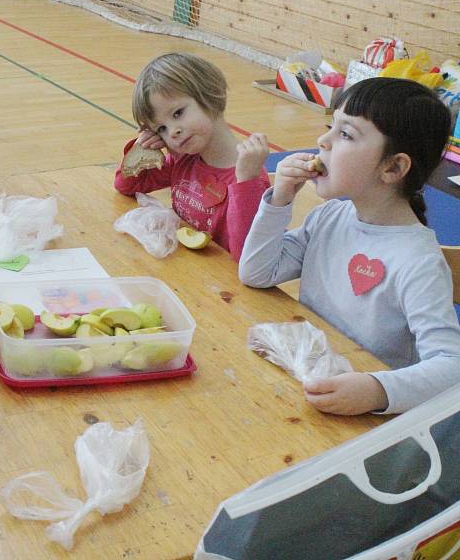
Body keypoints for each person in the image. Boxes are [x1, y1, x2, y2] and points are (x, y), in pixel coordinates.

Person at [239, 77, 460, 415]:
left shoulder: (418, 263)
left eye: (345, 134)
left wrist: (377, 390)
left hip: (367, 427)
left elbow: (451, 367)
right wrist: (279, 199)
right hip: (306, 384)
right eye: (331, 126)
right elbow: (257, 272)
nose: (322, 141)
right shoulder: (328, 217)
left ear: (393, 167)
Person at [113, 52, 270, 261]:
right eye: (161, 128)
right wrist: (143, 147)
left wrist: (247, 182)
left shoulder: (250, 177)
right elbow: (126, 185)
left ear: (210, 94)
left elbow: (247, 256)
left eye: (178, 113)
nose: (172, 132)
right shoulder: (184, 160)